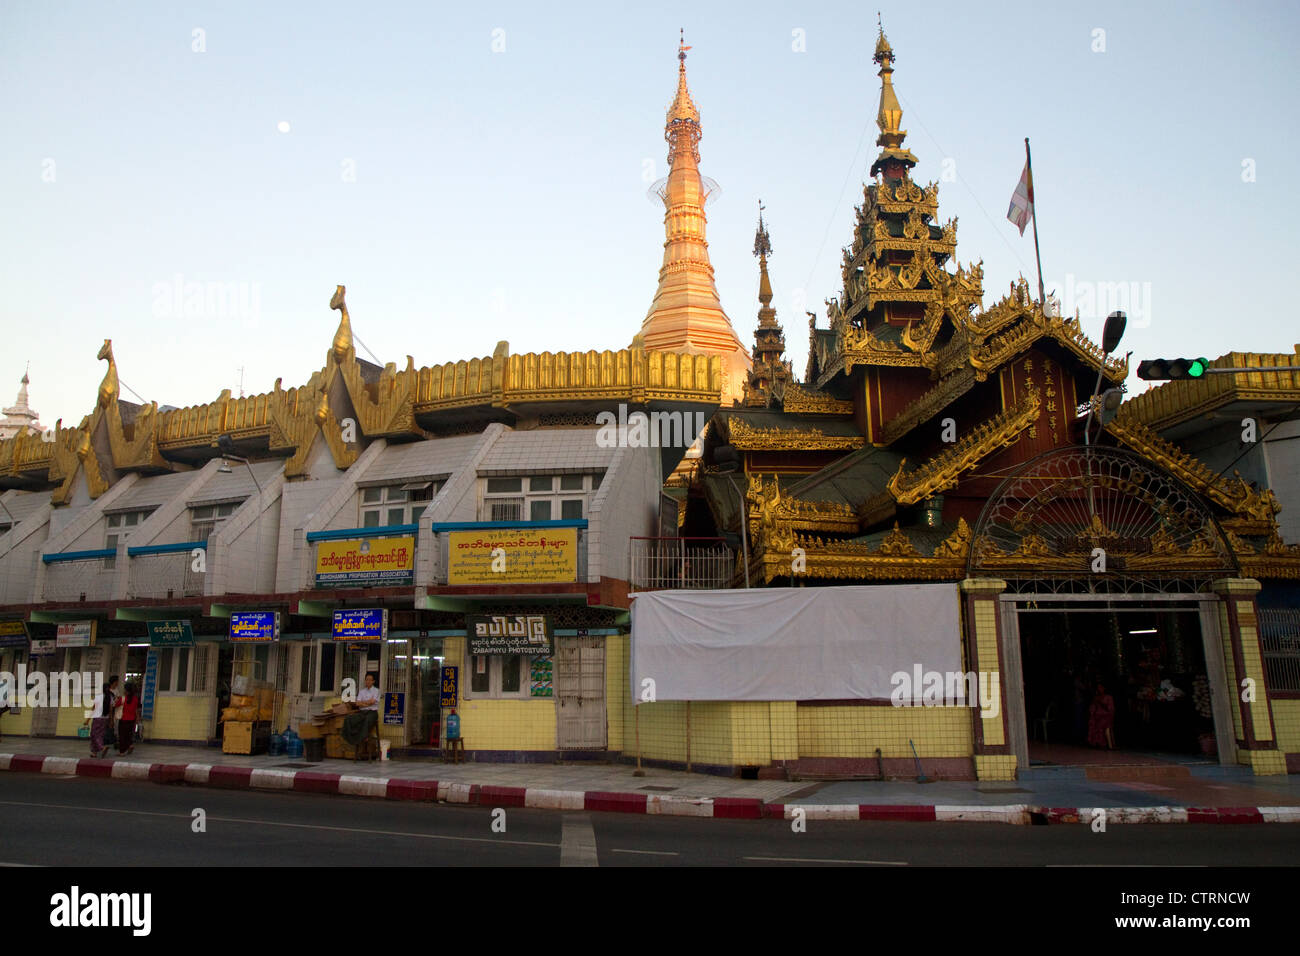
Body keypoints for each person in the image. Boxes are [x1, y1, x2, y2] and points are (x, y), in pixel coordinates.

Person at [85, 681, 115, 758]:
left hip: (97, 719)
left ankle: (102, 748)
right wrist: (111, 721)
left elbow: (93, 709)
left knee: (93, 734)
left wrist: (87, 720)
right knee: (100, 735)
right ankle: (94, 752)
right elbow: (111, 711)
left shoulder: (98, 697)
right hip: (105, 719)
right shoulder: (110, 698)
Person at [1087, 682, 1116, 750]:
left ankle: (1102, 743)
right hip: (1097, 715)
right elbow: (1092, 707)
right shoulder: (1096, 697)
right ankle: (1094, 742)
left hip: (1105, 716)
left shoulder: (1109, 697)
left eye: (1100, 687)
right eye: (1098, 687)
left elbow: (1110, 709)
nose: (1099, 689)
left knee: (1101, 724)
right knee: (1092, 723)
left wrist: (1100, 702)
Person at [117, 682, 140, 755]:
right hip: (132, 720)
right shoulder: (135, 699)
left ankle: (122, 752)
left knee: (122, 736)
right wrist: (137, 719)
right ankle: (130, 745)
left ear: (126, 690)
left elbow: (115, 704)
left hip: (123, 719)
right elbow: (136, 709)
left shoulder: (123, 698)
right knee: (129, 735)